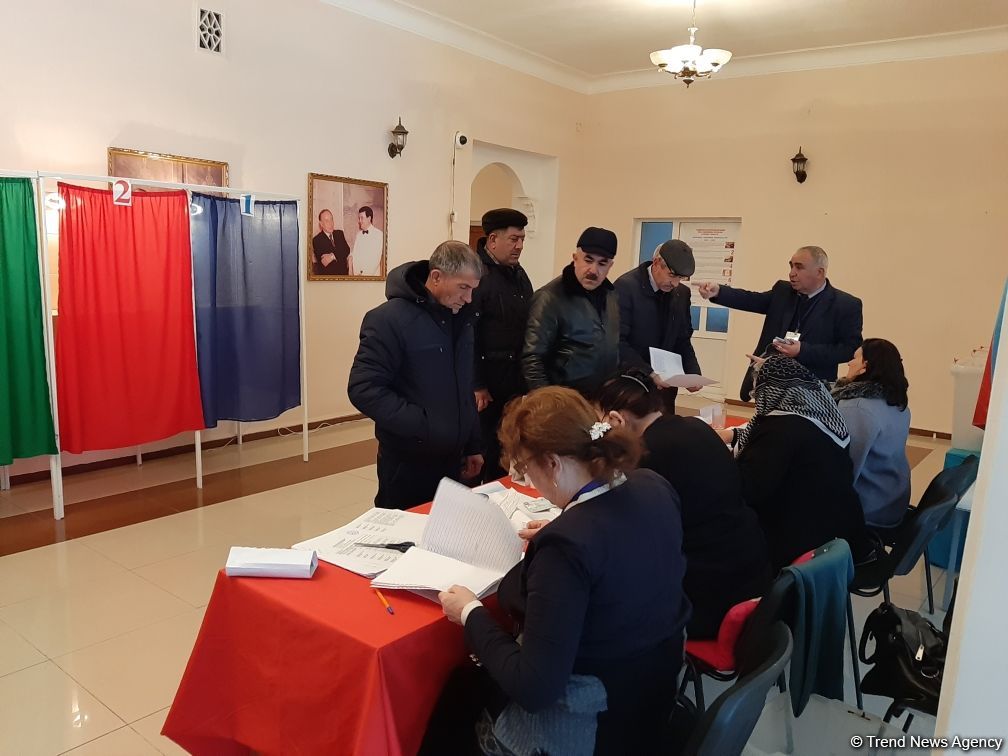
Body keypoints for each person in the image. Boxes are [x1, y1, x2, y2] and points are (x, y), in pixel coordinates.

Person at [426, 386, 690, 755]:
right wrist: (566, 524)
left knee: (452, 703)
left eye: (525, 468)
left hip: (595, 723)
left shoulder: (567, 546)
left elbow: (534, 687)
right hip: (655, 697)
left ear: (552, 463)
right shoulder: (652, 486)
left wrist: (470, 612)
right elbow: (615, 540)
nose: (528, 480)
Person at [595, 370, 772, 638]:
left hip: (708, 593)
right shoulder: (696, 426)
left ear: (617, 419)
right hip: (753, 572)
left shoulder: (646, 455)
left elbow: (628, 531)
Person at [347, 241, 484, 508]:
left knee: (447, 537)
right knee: (405, 539)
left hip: (454, 459)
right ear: (436, 277)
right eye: (463, 287)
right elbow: (363, 388)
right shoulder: (389, 319)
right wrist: (423, 425)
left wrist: (473, 444)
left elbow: (463, 386)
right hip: (408, 462)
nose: (468, 298)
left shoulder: (461, 318)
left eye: (472, 290)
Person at [721, 354, 871, 571]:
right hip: (840, 537)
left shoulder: (781, 430)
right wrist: (733, 436)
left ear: (771, 391)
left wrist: (714, 461)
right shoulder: (822, 419)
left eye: (758, 390)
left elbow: (747, 489)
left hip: (800, 546)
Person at [697, 246, 863, 401]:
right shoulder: (783, 291)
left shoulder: (845, 305)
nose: (792, 273)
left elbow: (849, 350)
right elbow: (752, 300)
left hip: (811, 390)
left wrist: (802, 350)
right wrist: (719, 291)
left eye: (799, 267)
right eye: (791, 266)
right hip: (770, 383)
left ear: (819, 272)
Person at [472, 208, 534, 482]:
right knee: (485, 449)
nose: (519, 245)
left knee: (507, 446)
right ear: (493, 240)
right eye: (514, 239)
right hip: (488, 385)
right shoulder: (477, 276)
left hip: (514, 379)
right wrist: (477, 383)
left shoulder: (519, 274)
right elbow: (469, 334)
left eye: (522, 239)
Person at [522, 227, 620, 396]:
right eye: (588, 260)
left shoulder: (611, 296)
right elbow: (532, 359)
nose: (593, 270)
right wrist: (549, 403)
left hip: (602, 399)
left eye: (602, 263)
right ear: (575, 258)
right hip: (565, 403)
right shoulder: (549, 298)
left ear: (610, 266)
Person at [831, 339, 911, 530]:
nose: (849, 362)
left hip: (870, 509)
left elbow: (845, 470)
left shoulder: (857, 407)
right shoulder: (897, 403)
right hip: (893, 499)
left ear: (864, 367)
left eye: (855, 358)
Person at [614, 239, 702, 413]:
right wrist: (649, 373)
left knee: (664, 433)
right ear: (656, 263)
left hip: (666, 389)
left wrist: (693, 372)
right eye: (672, 275)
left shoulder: (681, 293)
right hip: (632, 384)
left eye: (680, 278)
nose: (676, 283)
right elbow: (617, 342)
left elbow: (682, 339)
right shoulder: (625, 288)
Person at [311, 209, 351, 275]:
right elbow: (325, 262)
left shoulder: (339, 233)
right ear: (321, 224)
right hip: (329, 280)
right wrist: (340, 253)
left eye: (331, 219)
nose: (331, 223)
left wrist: (332, 256)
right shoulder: (317, 240)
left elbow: (347, 250)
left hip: (344, 277)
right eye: (327, 221)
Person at [349, 205, 384, 276]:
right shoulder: (358, 235)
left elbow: (375, 259)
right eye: (359, 218)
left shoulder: (379, 235)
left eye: (362, 218)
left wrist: (363, 275)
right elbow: (354, 254)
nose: (359, 221)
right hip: (357, 277)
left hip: (371, 278)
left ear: (369, 218)